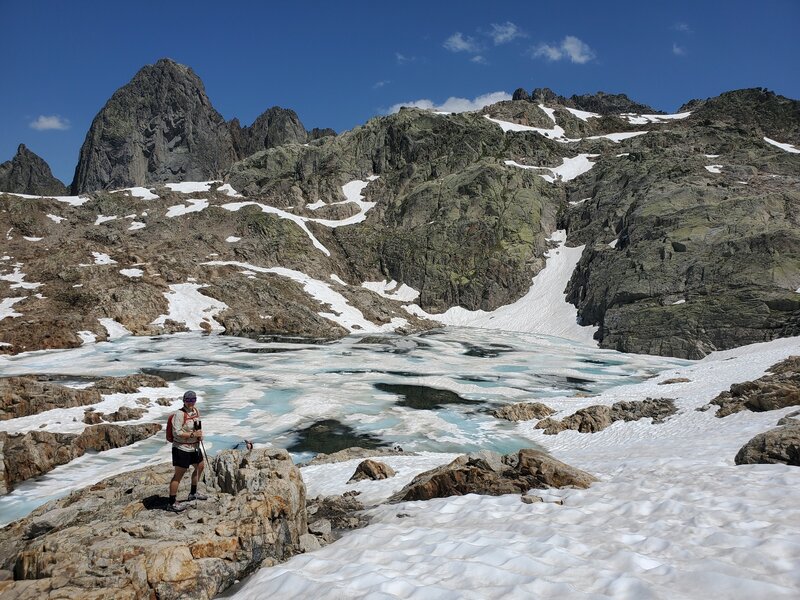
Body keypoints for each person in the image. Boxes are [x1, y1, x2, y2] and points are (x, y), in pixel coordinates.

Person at [167, 390, 208, 512]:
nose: (191, 402)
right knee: (178, 475)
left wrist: (199, 435)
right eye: (188, 400)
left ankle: (193, 493)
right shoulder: (179, 414)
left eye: (193, 400)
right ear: (184, 400)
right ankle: (171, 502)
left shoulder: (196, 411)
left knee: (200, 466)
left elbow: (197, 425)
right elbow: (177, 432)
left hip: (194, 447)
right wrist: (192, 435)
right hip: (182, 448)